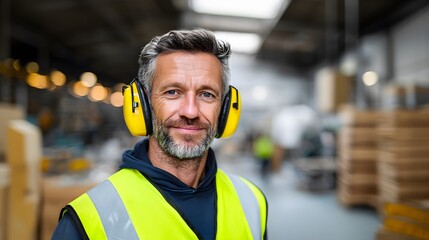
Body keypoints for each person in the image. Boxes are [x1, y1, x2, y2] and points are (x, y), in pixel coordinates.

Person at [51, 28, 268, 240]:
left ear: (226, 109)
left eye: (206, 94)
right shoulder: (87, 221)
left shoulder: (252, 201)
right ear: (142, 104)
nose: (190, 111)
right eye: (173, 92)